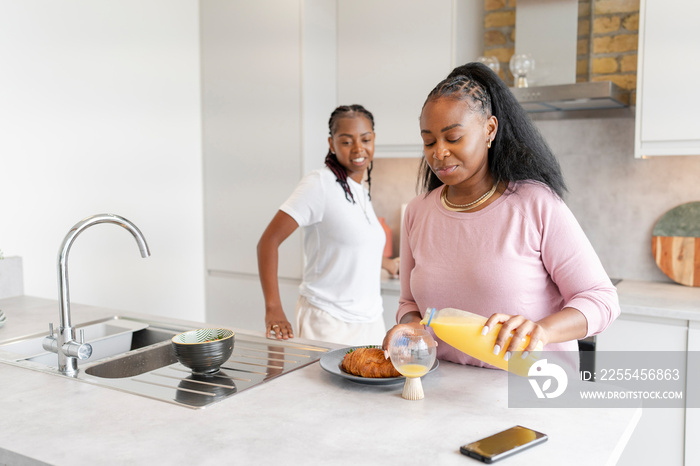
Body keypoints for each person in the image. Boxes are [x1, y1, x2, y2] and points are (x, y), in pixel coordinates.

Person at [382, 62, 619, 369]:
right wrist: (411, 324)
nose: (438, 152)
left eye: (453, 138)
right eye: (429, 141)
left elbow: (601, 299)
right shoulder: (418, 211)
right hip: (444, 393)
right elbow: (409, 304)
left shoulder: (536, 204)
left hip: (533, 391)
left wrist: (542, 331)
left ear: (489, 130)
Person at [258, 104, 400, 345]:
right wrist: (273, 308)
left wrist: (386, 263)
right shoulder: (319, 184)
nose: (358, 148)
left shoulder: (360, 190)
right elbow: (268, 242)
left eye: (365, 139)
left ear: (373, 140)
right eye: (346, 141)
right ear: (331, 144)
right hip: (327, 322)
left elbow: (351, 242)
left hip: (372, 323)